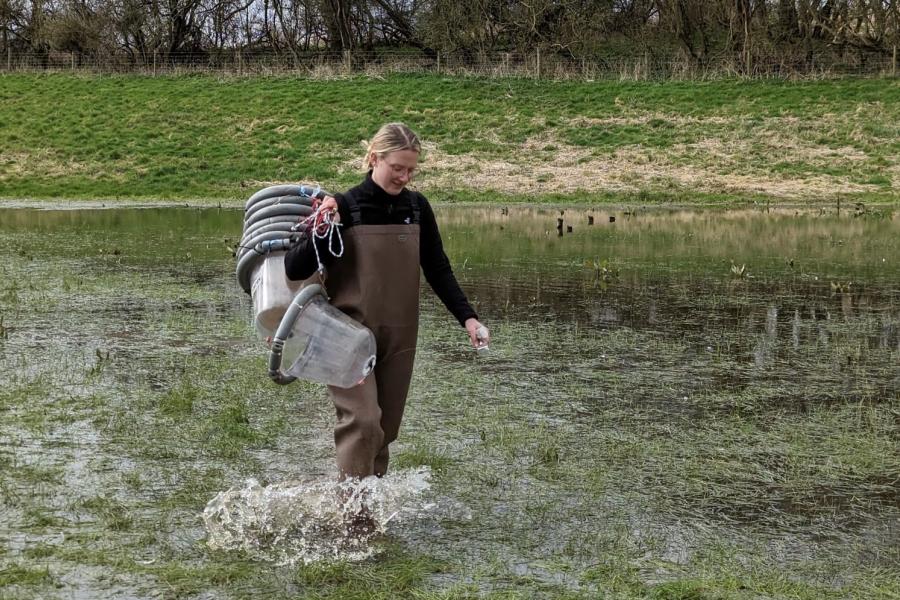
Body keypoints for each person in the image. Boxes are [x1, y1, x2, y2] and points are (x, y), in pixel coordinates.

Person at [285, 122, 489, 481]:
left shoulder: (417, 207)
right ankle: (354, 516)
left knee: (383, 431)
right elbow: (294, 266)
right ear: (374, 158)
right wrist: (325, 227)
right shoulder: (344, 206)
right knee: (362, 423)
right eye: (398, 168)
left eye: (411, 170)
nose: (404, 177)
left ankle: (367, 510)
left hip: (399, 337)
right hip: (346, 337)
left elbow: (438, 268)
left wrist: (468, 318)